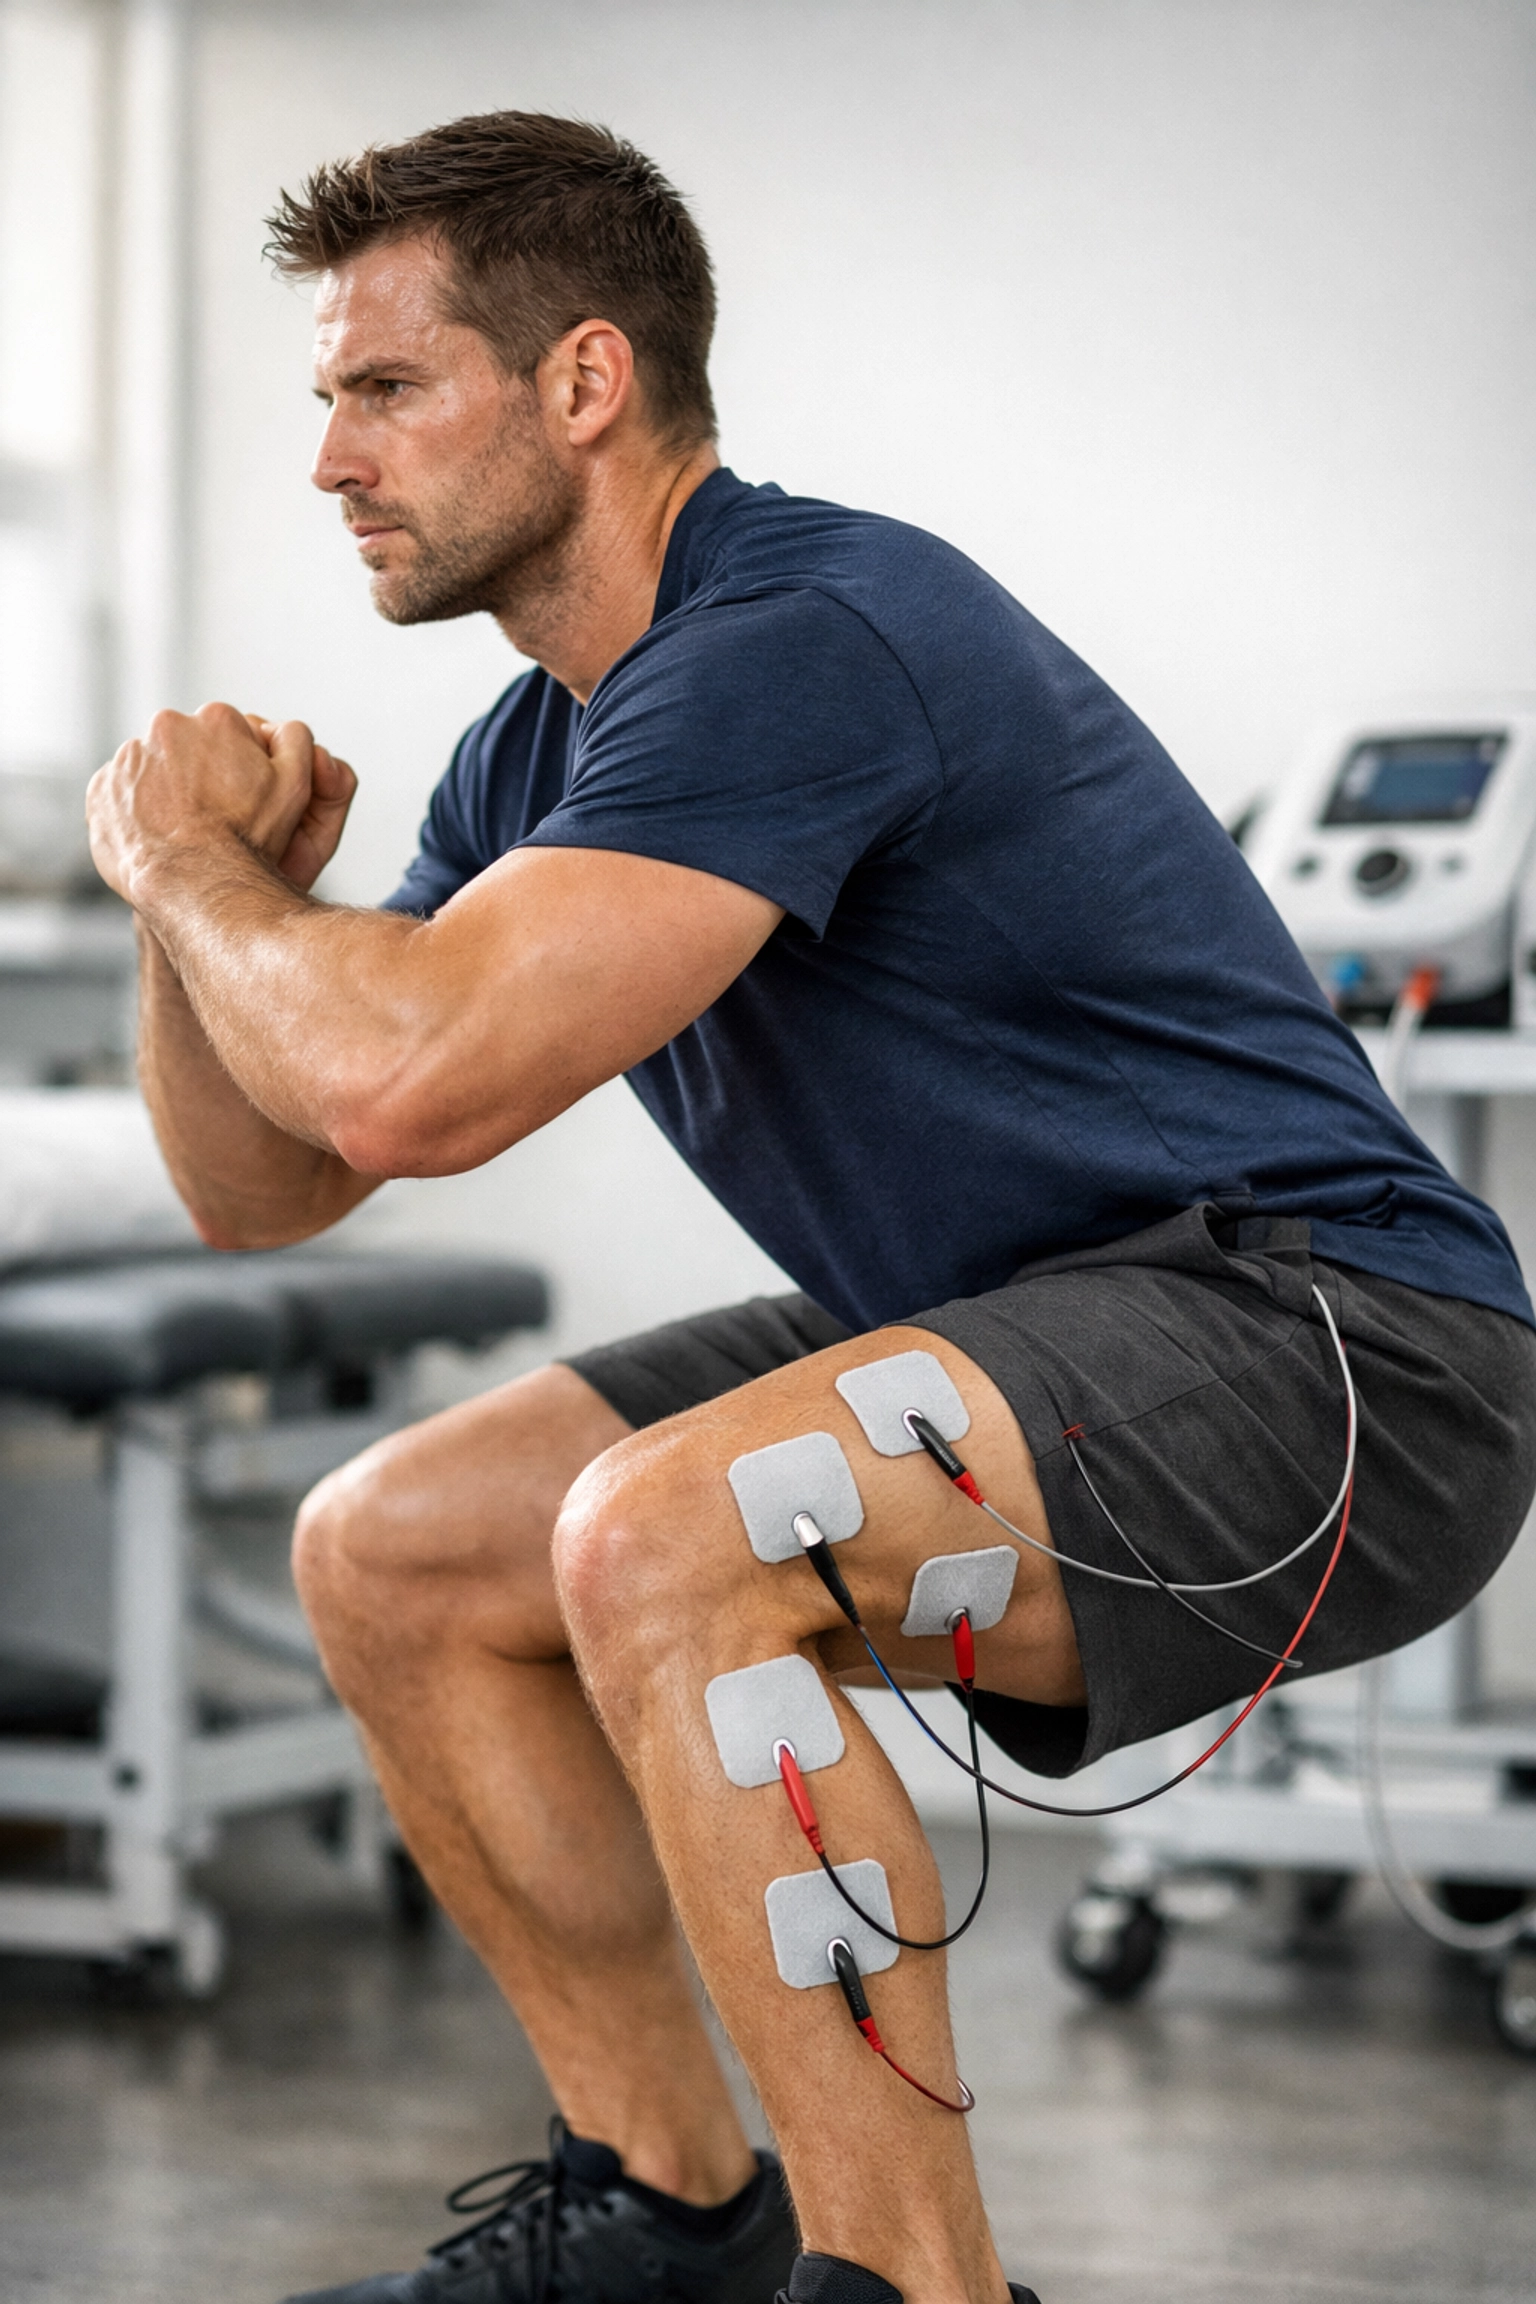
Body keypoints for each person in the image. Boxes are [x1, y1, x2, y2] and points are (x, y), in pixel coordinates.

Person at [86, 112, 1536, 2304]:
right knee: (394, 1551)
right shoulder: (538, 747)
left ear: (583, 383)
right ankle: (660, 2224)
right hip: (1032, 1313)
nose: (329, 459)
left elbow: (410, 1070)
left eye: (384, 390)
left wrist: (185, 873)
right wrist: (199, 914)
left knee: (671, 1538)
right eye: (322, 402)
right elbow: (271, 1181)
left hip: (1342, 1354)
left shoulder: (803, 635)